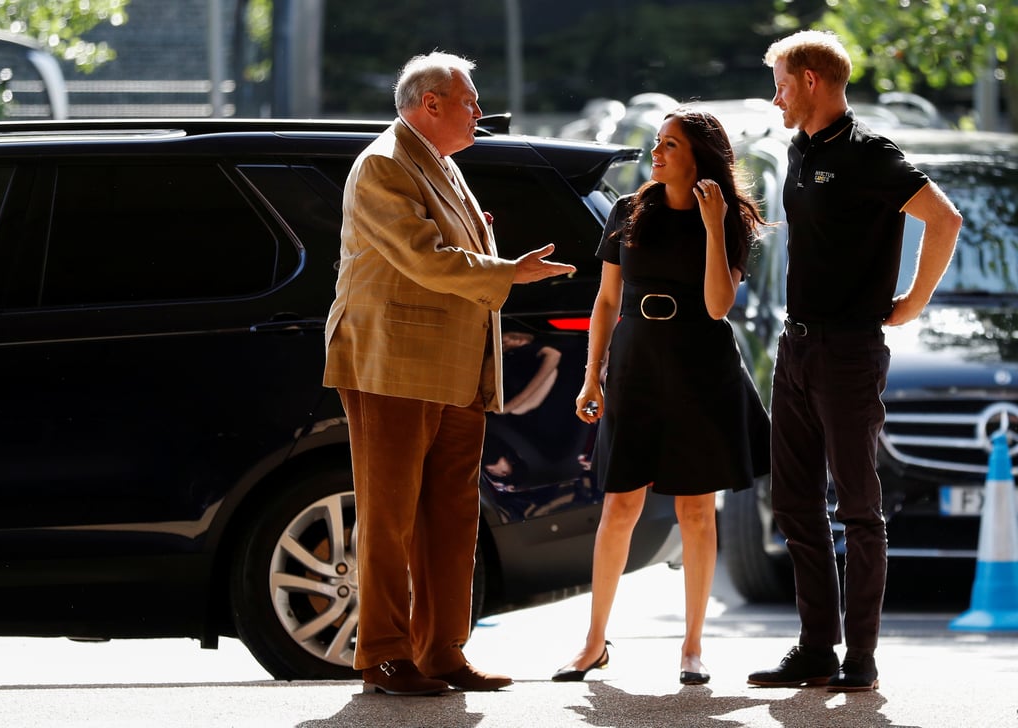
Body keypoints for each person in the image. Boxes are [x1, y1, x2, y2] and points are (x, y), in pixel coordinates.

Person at [323, 51, 576, 696]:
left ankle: (443, 651)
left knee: (451, 512)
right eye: (470, 101)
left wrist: (491, 256)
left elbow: (445, 254)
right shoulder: (385, 162)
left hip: (454, 366)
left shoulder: (434, 162)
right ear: (429, 104)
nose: (479, 112)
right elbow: (422, 258)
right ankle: (383, 652)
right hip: (394, 364)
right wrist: (506, 271)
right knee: (390, 516)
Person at [747, 30, 962, 693]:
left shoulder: (871, 153)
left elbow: (944, 219)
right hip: (797, 346)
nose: (775, 95)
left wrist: (913, 301)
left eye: (781, 82)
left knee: (859, 510)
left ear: (812, 80)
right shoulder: (799, 147)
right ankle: (817, 647)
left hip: (850, 351)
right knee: (793, 502)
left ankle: (860, 659)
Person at [551, 108, 771, 686]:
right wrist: (590, 375)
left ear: (697, 156)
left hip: (700, 367)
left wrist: (716, 226)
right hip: (636, 365)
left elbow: (720, 305)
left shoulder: (730, 218)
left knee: (695, 510)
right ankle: (593, 642)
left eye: (669, 144)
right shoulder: (630, 211)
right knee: (619, 505)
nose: (657, 152)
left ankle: (693, 647)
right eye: (658, 142)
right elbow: (604, 301)